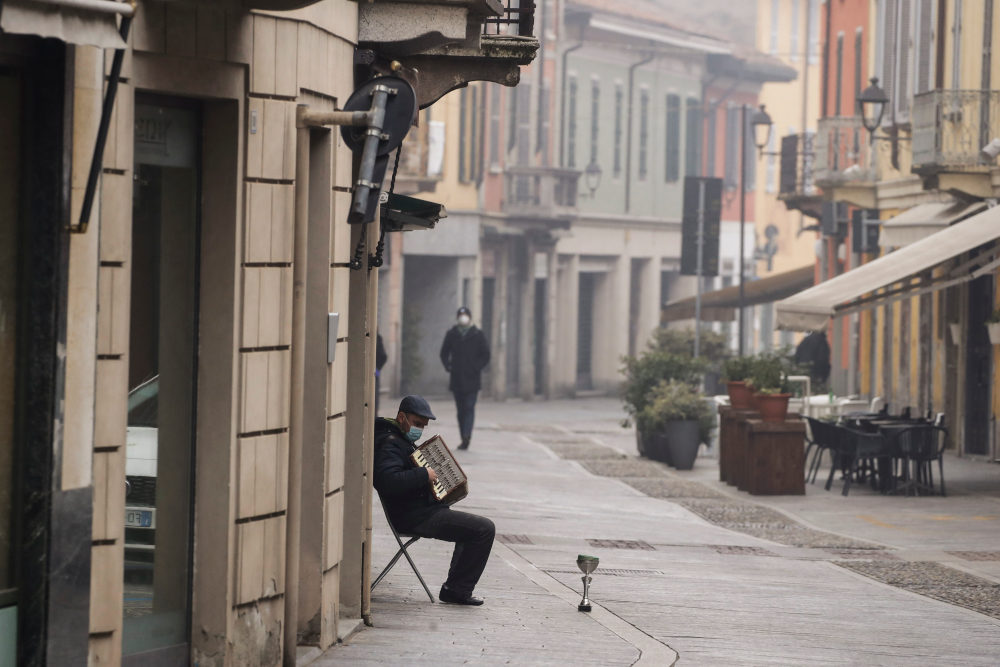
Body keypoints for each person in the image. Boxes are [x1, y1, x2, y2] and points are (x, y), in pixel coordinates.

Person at [373, 395, 495, 605]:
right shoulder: (390, 443)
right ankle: (456, 591)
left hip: (422, 511)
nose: (419, 429)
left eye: (423, 425)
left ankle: (455, 589)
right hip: (413, 517)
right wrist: (424, 475)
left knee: (474, 528)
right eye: (417, 423)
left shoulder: (402, 440)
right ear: (401, 417)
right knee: (483, 529)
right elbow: (387, 480)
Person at [439, 307, 490, 450]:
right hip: (457, 379)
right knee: (460, 410)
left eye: (465, 315)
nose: (463, 317)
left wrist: (476, 367)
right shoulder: (452, 334)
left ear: (469, 317)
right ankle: (463, 436)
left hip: (472, 379)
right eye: (460, 315)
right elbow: (444, 353)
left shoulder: (477, 334)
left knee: (469, 407)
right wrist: (448, 366)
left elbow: (486, 355)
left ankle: (467, 435)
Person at [375, 332, 387, 415]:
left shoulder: (376, 337)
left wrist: (377, 369)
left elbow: (383, 356)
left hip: (374, 374)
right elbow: (383, 356)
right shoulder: (376, 336)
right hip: (374, 373)